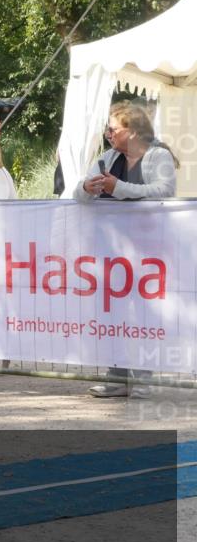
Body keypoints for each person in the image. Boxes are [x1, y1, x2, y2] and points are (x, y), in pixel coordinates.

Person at [74, 102, 178, 399]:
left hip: (150, 251)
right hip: (111, 250)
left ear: (131, 131)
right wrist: (87, 188)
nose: (108, 133)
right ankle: (116, 375)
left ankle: (143, 378)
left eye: (113, 128)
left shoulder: (158, 155)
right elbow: (77, 194)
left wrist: (118, 187)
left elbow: (164, 192)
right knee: (112, 312)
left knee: (145, 314)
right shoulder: (107, 158)